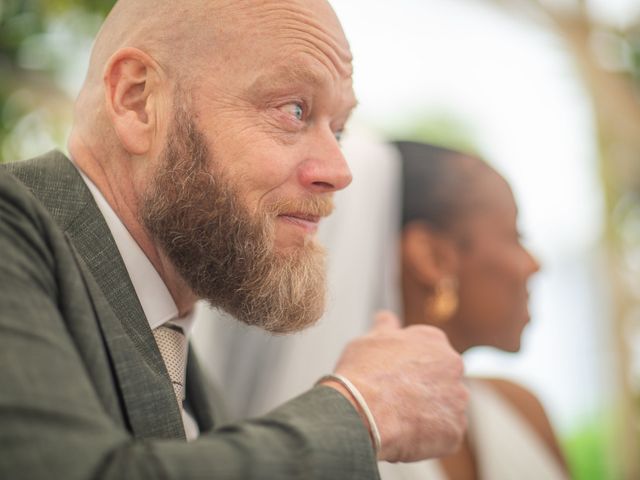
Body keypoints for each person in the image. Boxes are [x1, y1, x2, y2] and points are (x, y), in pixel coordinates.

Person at [0, 1, 469, 479]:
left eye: (339, 130)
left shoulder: (193, 377)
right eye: (294, 110)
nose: (338, 173)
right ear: (137, 100)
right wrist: (363, 412)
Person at [378, 141, 569, 480]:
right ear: (432, 257)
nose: (534, 264)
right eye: (515, 235)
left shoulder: (523, 410)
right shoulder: (347, 446)